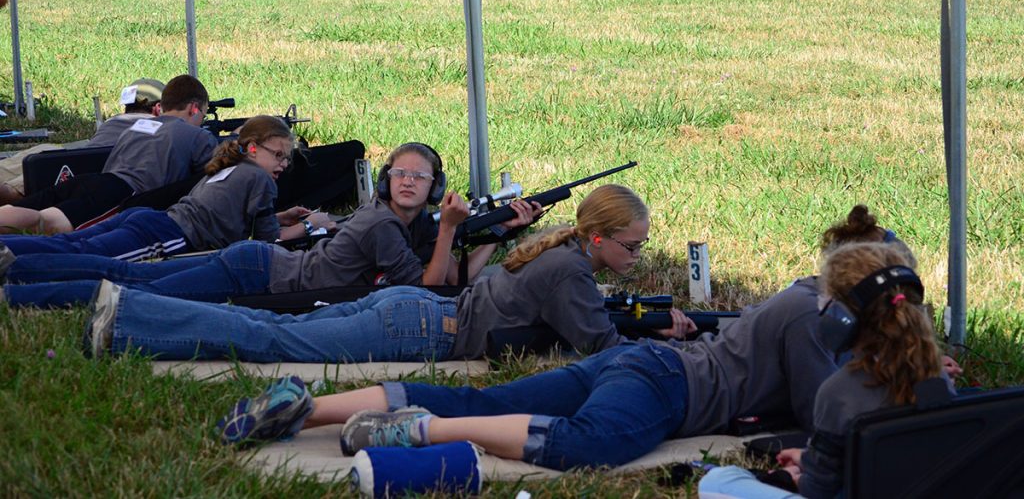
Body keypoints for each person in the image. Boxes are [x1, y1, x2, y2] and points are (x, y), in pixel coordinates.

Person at [205, 205, 924, 470]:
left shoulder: (803, 301)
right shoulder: (810, 322)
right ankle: (418, 434)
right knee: (589, 446)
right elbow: (818, 412)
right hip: (665, 386)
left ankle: (309, 406)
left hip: (645, 364)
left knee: (481, 397)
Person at [80, 184, 693, 363]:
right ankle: (131, 320)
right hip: (423, 331)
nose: (637, 254)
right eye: (633, 245)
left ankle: (131, 314)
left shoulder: (553, 253)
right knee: (274, 340)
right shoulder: (569, 271)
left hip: (411, 312)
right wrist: (665, 336)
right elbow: (600, 346)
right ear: (596, 237)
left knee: (270, 327)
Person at [0, 142, 520, 308]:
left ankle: (14, 263)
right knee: (130, 284)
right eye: (400, 173)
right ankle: (15, 281)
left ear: (435, 186)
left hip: (259, 267)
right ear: (385, 181)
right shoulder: (384, 223)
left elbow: (452, 279)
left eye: (420, 176)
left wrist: (495, 236)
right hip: (253, 270)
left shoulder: (410, 226)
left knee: (131, 282)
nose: (408, 182)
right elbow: (426, 291)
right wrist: (453, 229)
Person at [697, 241, 956, 499]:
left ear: (844, 317)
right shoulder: (937, 377)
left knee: (719, 481)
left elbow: (817, 489)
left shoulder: (839, 391)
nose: (820, 305)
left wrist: (794, 477)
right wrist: (810, 460)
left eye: (825, 298)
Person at [0, 116, 338, 308]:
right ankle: (15, 278)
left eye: (287, 158)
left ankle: (11, 257)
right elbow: (269, 241)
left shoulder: (233, 168)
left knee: (73, 246)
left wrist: (281, 217)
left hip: (152, 220)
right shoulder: (261, 181)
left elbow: (226, 213)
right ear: (253, 148)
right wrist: (311, 227)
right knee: (95, 265)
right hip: (167, 237)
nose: (283, 164)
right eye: (278, 155)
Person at [0, 75, 217, 235]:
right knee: (48, 222)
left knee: (19, 209)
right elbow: (211, 180)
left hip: (92, 181)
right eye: (203, 114)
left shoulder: (137, 126)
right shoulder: (197, 135)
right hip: (121, 194)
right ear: (193, 108)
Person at [0, 79, 165, 206]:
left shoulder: (113, 122)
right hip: (81, 170)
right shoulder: (159, 128)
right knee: (14, 193)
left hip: (60, 154)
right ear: (158, 108)